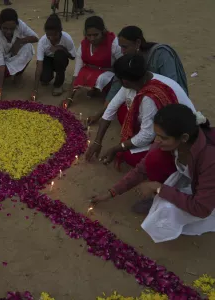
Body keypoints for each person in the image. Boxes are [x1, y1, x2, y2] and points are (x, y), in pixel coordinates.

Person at [91, 104, 215, 243]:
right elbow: (141, 169)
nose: (156, 141)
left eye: (163, 137)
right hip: (194, 178)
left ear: (184, 138)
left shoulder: (209, 158)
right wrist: (112, 192)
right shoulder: (171, 141)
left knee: (166, 210)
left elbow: (201, 208)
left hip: (208, 198)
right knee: (155, 159)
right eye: (156, 135)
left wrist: (158, 188)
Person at [85, 54, 195, 169]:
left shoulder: (149, 97)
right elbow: (111, 108)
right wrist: (97, 141)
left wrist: (118, 148)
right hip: (159, 123)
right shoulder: (136, 79)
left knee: (132, 157)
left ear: (125, 81)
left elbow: (147, 135)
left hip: (177, 133)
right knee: (122, 110)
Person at [88, 25, 188, 124]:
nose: (122, 51)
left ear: (138, 43)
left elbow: (170, 86)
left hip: (166, 99)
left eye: (125, 47)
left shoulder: (161, 54)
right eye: (121, 47)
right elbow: (116, 88)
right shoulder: (128, 60)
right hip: (146, 96)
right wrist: (98, 115)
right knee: (123, 111)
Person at [63, 16, 122, 108]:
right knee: (82, 74)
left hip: (111, 72)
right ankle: (96, 89)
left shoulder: (114, 43)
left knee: (103, 79)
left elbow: (122, 67)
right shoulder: (84, 44)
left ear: (103, 32)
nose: (92, 39)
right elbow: (76, 72)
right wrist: (69, 97)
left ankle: (108, 93)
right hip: (92, 71)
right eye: (89, 35)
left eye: (95, 35)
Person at [0, 8, 39, 100]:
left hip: (11, 56)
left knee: (28, 47)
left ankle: (18, 76)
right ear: (0, 24)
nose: (8, 32)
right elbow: (0, 63)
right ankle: (4, 78)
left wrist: (20, 41)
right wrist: (0, 89)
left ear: (16, 25)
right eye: (5, 28)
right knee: (1, 70)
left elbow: (35, 37)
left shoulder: (20, 24)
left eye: (12, 29)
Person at [31, 14, 76, 99]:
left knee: (59, 54)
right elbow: (39, 64)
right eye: (48, 35)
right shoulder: (43, 41)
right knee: (44, 79)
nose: (51, 38)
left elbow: (73, 57)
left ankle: (58, 85)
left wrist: (62, 48)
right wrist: (35, 89)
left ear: (60, 31)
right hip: (47, 60)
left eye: (54, 35)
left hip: (60, 59)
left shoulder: (67, 39)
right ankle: (48, 76)